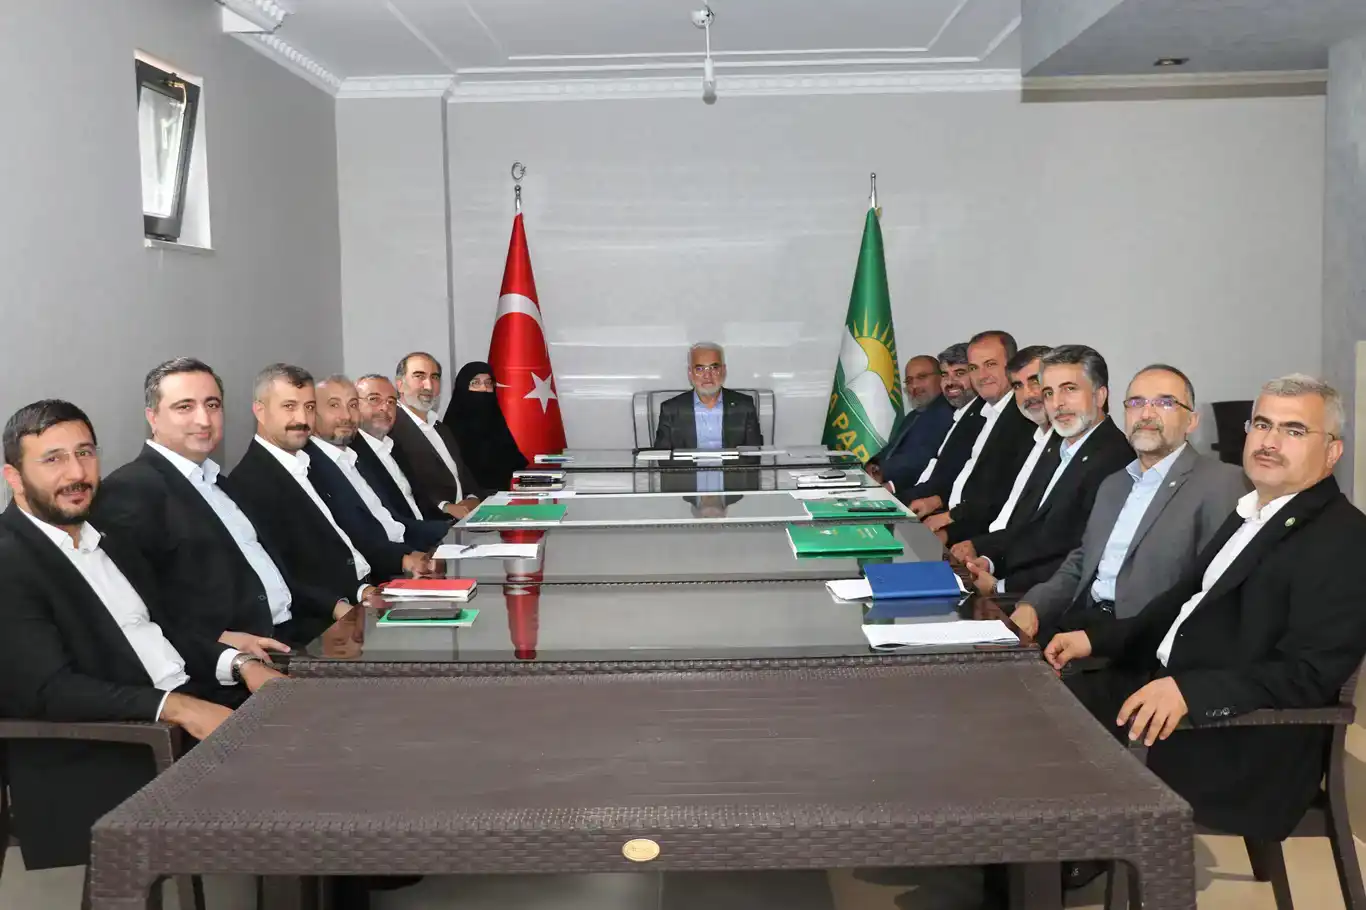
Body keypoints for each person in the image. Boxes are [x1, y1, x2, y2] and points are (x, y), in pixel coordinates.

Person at [1045, 374, 1366, 842]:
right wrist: (1094, 638)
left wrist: (1190, 693)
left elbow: (1309, 673)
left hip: (1235, 736)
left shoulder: (1345, 538)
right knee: (1031, 716)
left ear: (1332, 451)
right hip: (1164, 689)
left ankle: (1075, 861)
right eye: (1262, 424)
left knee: (1050, 757)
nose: (1270, 442)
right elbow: (1177, 606)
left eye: (1294, 430)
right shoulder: (1251, 511)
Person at [0, 399, 282, 871]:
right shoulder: (9, 561)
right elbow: (47, 689)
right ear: (14, 477)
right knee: (309, 775)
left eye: (85, 453)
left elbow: (161, 631)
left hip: (186, 711)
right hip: (113, 750)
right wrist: (178, 708)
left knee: (330, 730)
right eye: (53, 459)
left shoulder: (108, 537)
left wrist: (239, 664)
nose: (77, 473)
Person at [97, 357, 333, 650]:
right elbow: (139, 606)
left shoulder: (221, 483)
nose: (204, 420)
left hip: (297, 632)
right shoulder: (130, 490)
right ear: (152, 417)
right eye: (185, 407)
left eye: (212, 405)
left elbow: (268, 570)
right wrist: (223, 642)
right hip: (229, 657)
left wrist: (336, 606)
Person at [1003, 364, 1248, 642]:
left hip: (1140, 642)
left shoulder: (1222, 483)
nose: (1146, 414)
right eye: (1136, 403)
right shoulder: (1114, 484)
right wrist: (1034, 605)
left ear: (1191, 421)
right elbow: (1082, 563)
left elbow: (1208, 596)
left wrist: (1100, 641)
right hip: (1079, 623)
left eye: (1165, 403)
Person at [960, 345, 1133, 596]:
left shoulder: (1115, 459)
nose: (1056, 403)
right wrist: (990, 561)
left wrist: (1001, 587)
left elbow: (1080, 559)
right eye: (1049, 392)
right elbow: (1029, 528)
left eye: (1069, 389)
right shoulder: (1057, 446)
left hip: (1044, 600)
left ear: (1099, 396)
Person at [228, 364, 382, 620]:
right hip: (323, 619)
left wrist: (365, 590)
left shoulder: (310, 464)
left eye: (309, 407)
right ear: (260, 411)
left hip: (364, 591)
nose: (302, 419)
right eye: (289, 406)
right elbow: (284, 573)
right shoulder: (248, 483)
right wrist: (340, 607)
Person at [307, 374, 443, 572]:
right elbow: (352, 542)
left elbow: (393, 523)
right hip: (380, 573)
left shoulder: (352, 459)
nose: (346, 416)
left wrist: (449, 533)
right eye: (334, 405)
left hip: (407, 551)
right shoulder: (310, 468)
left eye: (352, 405)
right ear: (311, 413)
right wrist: (403, 559)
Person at [912, 331, 1036, 532]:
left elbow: (998, 498)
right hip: (951, 517)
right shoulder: (980, 411)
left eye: (990, 364)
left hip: (976, 532)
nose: (982, 376)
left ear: (1012, 367)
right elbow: (961, 477)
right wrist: (936, 501)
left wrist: (950, 529)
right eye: (974, 368)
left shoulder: (1024, 419)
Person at [943, 345, 1055, 545]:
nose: (1028, 394)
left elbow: (1046, 535)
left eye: (1035, 382)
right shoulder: (1038, 436)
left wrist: (984, 552)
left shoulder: (1037, 434)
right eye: (1018, 386)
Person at [388, 351, 485, 518]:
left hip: (463, 522)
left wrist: (472, 498)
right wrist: (444, 507)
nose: (428, 386)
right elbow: (399, 485)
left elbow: (462, 475)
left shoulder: (441, 428)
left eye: (434, 377)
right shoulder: (390, 429)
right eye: (419, 376)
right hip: (429, 523)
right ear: (400, 384)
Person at [888, 343, 985, 501]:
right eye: (945, 375)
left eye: (960, 373)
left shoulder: (980, 418)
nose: (950, 382)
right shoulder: (960, 415)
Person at [353, 374, 454, 526]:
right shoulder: (352, 456)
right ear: (354, 405)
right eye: (374, 399)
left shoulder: (394, 448)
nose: (385, 407)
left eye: (391, 402)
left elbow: (421, 504)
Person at [865, 355, 954, 491]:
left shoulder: (947, 413)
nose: (914, 386)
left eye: (922, 377)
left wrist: (880, 471)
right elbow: (890, 449)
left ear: (942, 377)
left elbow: (921, 459)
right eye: (909, 381)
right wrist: (872, 464)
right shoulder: (913, 416)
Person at [652, 342, 763, 449]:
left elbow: (753, 454)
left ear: (723, 371)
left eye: (714, 368)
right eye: (700, 369)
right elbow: (663, 456)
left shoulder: (744, 406)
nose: (707, 375)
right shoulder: (671, 409)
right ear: (690, 373)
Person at [442, 360, 529, 491]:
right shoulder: (447, 431)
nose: (483, 388)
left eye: (488, 383)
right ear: (463, 388)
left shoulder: (498, 426)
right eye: (476, 383)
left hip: (500, 498)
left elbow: (515, 463)